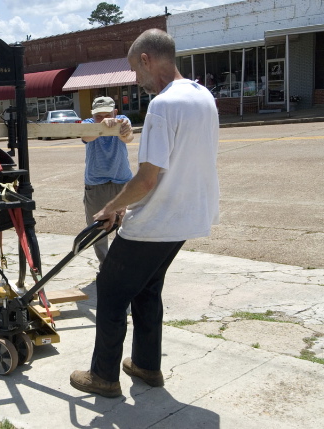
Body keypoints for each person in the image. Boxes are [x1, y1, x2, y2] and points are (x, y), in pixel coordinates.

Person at [70, 28, 220, 398]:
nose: (137, 81)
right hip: (188, 217)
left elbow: (148, 178)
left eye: (135, 71)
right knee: (148, 289)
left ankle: (102, 376)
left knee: (110, 290)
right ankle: (146, 366)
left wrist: (111, 207)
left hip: (156, 221)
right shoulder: (203, 96)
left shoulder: (164, 104)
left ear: (146, 60)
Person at [81, 96, 134, 270]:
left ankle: (124, 264)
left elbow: (128, 138)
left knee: (126, 225)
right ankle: (106, 266)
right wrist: (102, 126)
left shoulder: (123, 120)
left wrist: (120, 128)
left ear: (115, 112)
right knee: (98, 228)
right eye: (98, 116)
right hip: (96, 184)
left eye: (107, 114)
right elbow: (87, 136)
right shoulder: (88, 123)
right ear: (92, 115)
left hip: (122, 182)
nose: (103, 118)